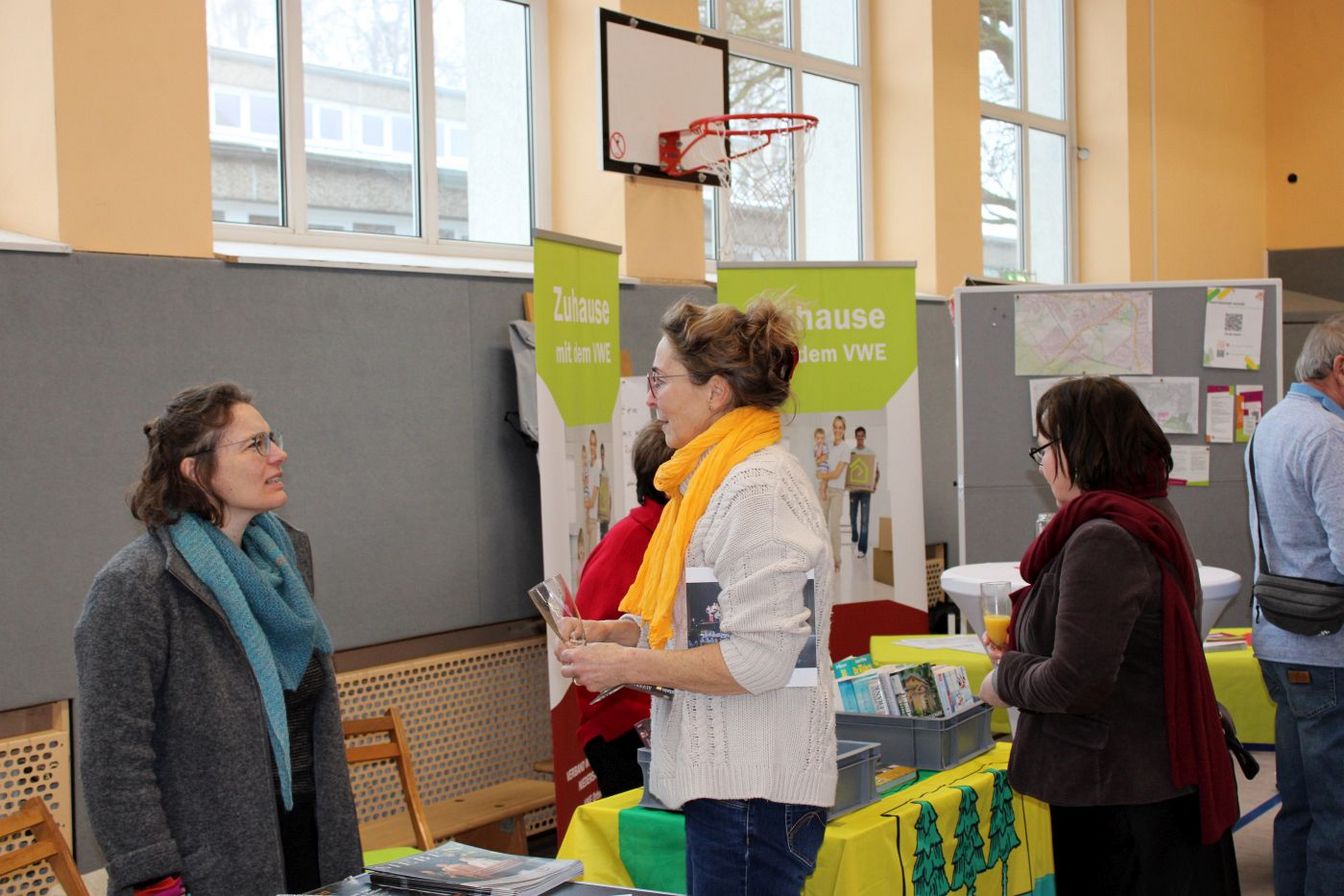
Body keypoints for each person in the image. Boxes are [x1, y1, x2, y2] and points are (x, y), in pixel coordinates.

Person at [557, 299, 836, 896]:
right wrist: (620, 633)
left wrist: (627, 665)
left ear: (715, 392)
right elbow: (709, 619)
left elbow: (762, 659)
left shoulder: (755, 490)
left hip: (752, 797)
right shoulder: (715, 481)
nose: (650, 398)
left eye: (660, 379)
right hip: (735, 791)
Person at [74, 383, 362, 896]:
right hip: (208, 872)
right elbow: (114, 757)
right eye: (255, 445)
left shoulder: (284, 562)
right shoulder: (136, 586)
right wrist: (155, 881)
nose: (279, 454)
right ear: (195, 470)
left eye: (273, 438)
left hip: (313, 848)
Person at [979, 376, 1239, 896]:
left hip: (1116, 791)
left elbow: (1076, 682)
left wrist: (1004, 680)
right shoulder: (1146, 511)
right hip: (1144, 779)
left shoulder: (1103, 537)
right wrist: (1031, 648)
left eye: (1045, 449)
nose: (1042, 465)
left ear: (1081, 448)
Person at [1244, 313, 1344, 896]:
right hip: (1328, 650)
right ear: (1340, 368)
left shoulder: (1273, 424)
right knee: (1338, 816)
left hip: (1279, 640)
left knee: (1300, 806)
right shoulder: (1329, 436)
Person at [573, 422, 674, 796]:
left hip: (651, 721)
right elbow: (591, 640)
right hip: (626, 730)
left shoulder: (664, 535)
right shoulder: (631, 542)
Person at [818, 415, 850, 569]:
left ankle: (837, 559)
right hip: (826, 489)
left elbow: (836, 473)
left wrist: (822, 476)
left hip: (837, 491)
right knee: (822, 525)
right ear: (833, 428)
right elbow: (824, 467)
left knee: (835, 525)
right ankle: (824, 559)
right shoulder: (828, 446)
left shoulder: (846, 449)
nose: (837, 430)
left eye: (840, 428)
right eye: (835, 427)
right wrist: (823, 487)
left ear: (844, 430)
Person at [847, 425, 880, 559]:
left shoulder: (870, 453)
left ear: (864, 437)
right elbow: (847, 472)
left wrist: (874, 485)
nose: (860, 438)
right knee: (852, 517)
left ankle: (862, 549)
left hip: (866, 492)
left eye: (862, 436)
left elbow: (876, 472)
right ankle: (854, 536)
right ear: (855, 437)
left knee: (864, 520)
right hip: (854, 490)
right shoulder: (851, 453)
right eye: (858, 436)